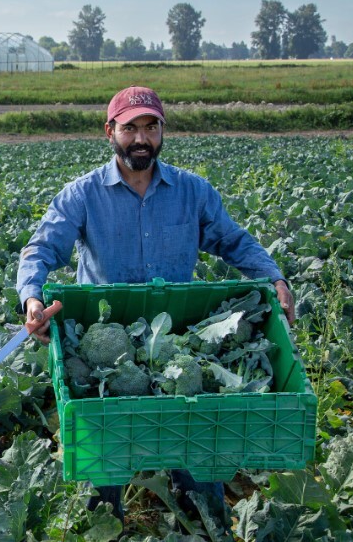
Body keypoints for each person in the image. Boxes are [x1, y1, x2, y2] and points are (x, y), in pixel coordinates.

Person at [15, 86, 295, 526]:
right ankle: (103, 523)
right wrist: (32, 295)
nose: (141, 138)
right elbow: (41, 249)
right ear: (110, 131)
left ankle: (200, 519)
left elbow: (233, 241)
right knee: (100, 458)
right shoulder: (82, 194)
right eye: (130, 128)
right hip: (105, 341)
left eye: (151, 127)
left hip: (176, 338)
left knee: (196, 442)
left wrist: (274, 276)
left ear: (163, 131)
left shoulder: (192, 191)